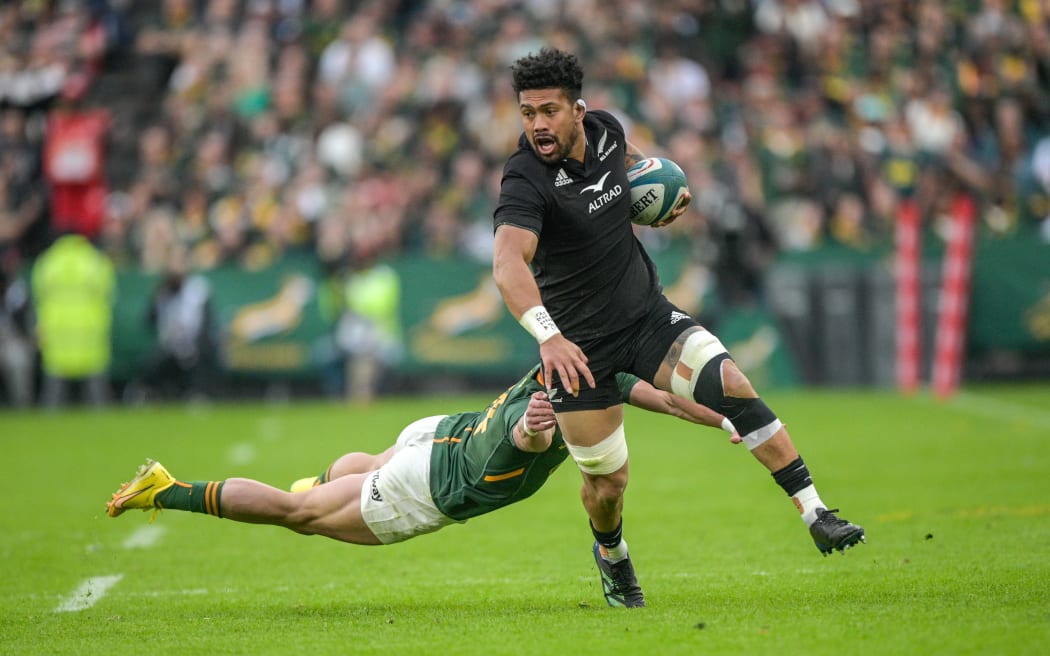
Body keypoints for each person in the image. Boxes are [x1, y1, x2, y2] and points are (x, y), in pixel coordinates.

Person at [491, 48, 864, 608]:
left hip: (646, 319)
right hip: (576, 350)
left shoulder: (610, 132)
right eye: (527, 113)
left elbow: (645, 173)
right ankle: (612, 555)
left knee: (732, 383)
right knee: (607, 486)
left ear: (578, 110)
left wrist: (665, 199)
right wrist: (548, 336)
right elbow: (507, 266)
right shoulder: (524, 178)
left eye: (548, 111)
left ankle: (817, 513)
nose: (538, 125)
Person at [106, 366, 737, 569]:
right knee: (298, 517)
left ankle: (326, 482)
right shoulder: (570, 399)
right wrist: (534, 430)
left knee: (362, 468)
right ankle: (169, 489)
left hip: (440, 432)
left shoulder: (577, 348)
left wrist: (720, 417)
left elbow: (656, 394)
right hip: (431, 482)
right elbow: (526, 438)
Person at [31, 233, 116, 408]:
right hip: (89, 336)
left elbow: (38, 296)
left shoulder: (46, 262)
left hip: (57, 337)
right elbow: (108, 295)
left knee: (53, 400)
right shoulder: (96, 261)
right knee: (97, 401)